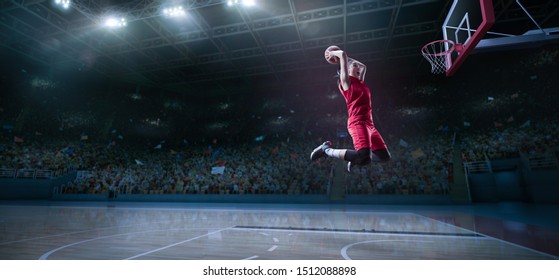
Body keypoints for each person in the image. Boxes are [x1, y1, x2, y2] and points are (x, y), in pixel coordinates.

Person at [310, 47, 391, 172]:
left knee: (384, 157)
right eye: (353, 65)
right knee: (364, 158)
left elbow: (364, 66)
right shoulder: (346, 83)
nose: (357, 67)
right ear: (346, 70)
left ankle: (354, 159)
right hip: (357, 123)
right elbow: (342, 54)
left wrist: (350, 61)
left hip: (370, 125)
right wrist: (332, 54)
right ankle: (326, 150)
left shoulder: (360, 82)